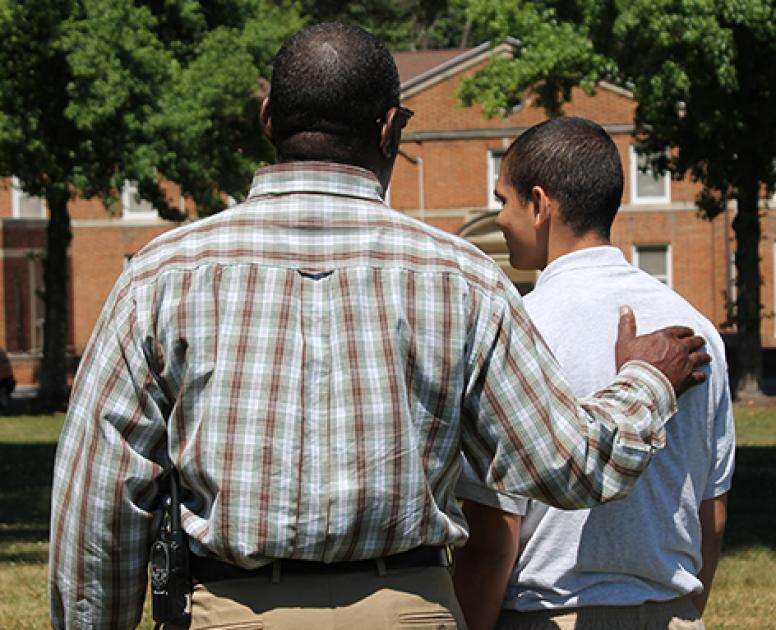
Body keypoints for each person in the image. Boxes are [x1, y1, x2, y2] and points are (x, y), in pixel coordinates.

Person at [49, 25, 708, 630]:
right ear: (390, 129)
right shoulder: (464, 278)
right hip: (409, 608)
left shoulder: (161, 276)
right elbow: (566, 466)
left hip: (230, 610)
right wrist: (646, 380)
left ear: (268, 120)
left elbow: (96, 507)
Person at [454, 117, 734, 630]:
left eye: (504, 201)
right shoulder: (699, 328)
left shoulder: (517, 328)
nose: (498, 219)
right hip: (673, 613)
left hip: (546, 614)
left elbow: (496, 533)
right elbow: (711, 514)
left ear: (540, 205)